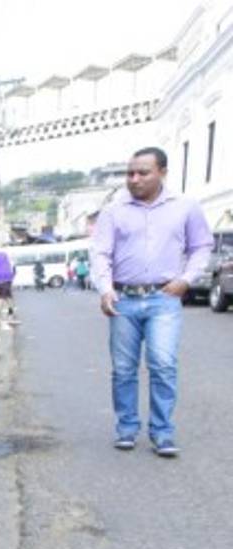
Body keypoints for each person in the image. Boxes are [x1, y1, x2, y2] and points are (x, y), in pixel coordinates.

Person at [91, 146, 213, 458]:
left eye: (143, 172)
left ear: (162, 173)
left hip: (164, 299)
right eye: (129, 173)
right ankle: (127, 429)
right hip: (123, 299)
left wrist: (187, 279)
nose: (134, 179)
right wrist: (105, 289)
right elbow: (101, 253)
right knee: (123, 369)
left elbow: (201, 246)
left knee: (163, 365)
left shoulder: (185, 207)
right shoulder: (113, 211)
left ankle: (162, 432)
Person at [0, 248, 16, 319]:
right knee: (8, 296)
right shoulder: (7, 258)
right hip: (8, 279)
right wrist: (11, 277)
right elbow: (14, 269)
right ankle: (11, 312)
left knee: (0, 297)